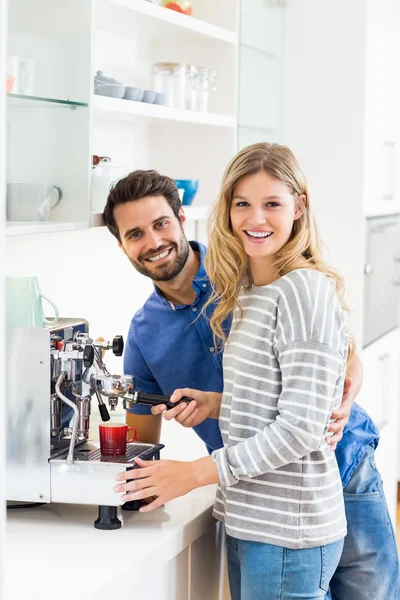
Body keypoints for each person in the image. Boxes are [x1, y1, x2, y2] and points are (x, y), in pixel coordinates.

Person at [103, 160, 399, 599]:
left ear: (183, 219)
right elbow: (140, 442)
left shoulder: (248, 263)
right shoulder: (144, 333)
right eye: (135, 235)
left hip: (342, 462)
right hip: (260, 499)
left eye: (161, 224)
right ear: (123, 247)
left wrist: (348, 383)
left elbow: (338, 343)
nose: (154, 242)